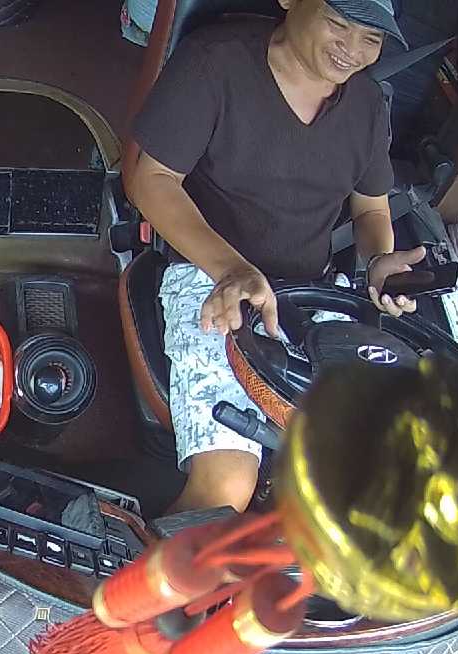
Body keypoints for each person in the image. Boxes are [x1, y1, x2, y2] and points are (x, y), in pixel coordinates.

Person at [125, 0, 425, 513]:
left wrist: (380, 262)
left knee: (371, 481)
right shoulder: (214, 63)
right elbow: (149, 179)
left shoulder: (368, 103)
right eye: (339, 24)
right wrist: (231, 268)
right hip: (208, 278)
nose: (352, 50)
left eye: (371, 39)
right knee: (226, 489)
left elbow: (372, 208)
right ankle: (147, 566)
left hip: (312, 296)